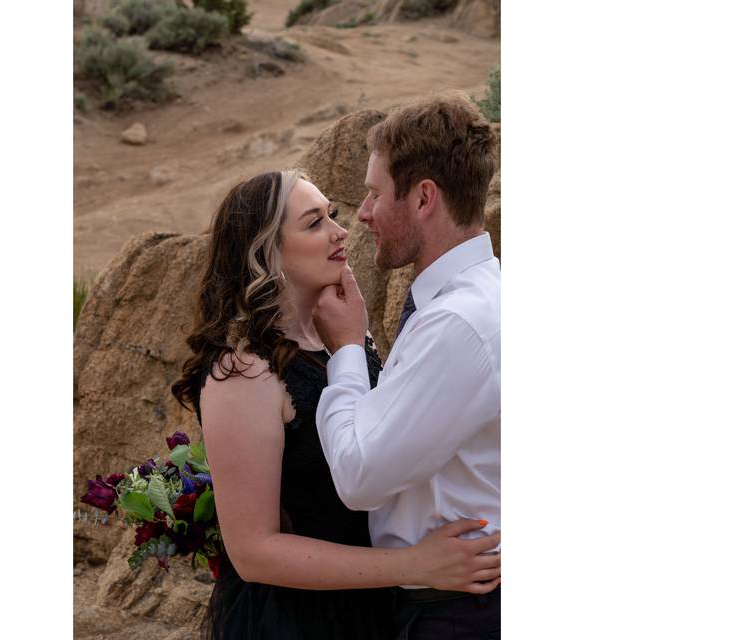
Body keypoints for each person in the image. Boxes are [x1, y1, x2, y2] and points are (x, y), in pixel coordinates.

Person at [171, 169, 501, 639]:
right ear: (267, 253)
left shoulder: (346, 340)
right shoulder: (242, 374)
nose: (340, 231)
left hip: (378, 605)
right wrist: (413, 564)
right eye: (313, 223)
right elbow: (252, 551)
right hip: (303, 620)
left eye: (333, 215)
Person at [313, 93, 501, 639]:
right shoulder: (473, 301)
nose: (363, 214)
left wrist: (347, 350)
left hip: (460, 611)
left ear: (423, 198)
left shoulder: (459, 324)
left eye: (373, 192)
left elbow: (357, 475)